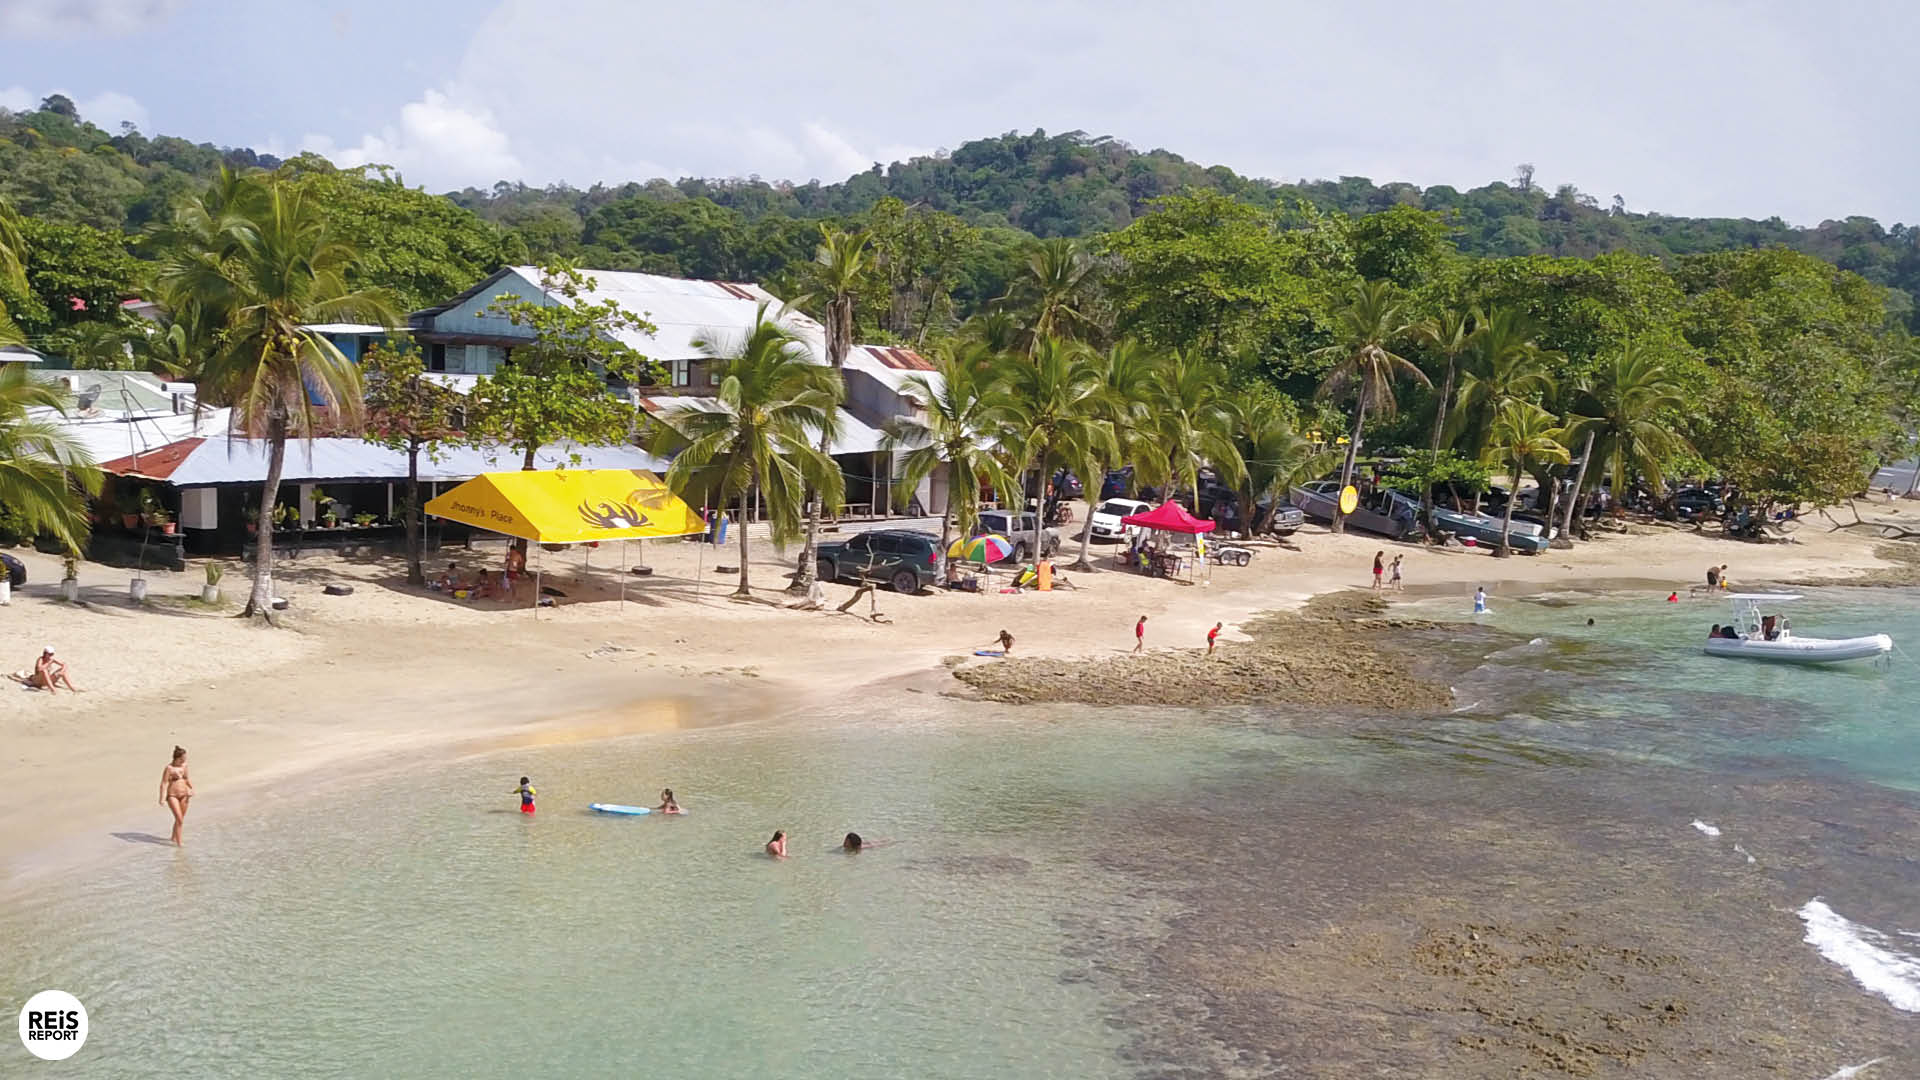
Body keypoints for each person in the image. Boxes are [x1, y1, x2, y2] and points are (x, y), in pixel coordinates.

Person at [158, 745, 193, 846]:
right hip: (172, 795)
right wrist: (162, 798)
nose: (184, 760)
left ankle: (173, 838)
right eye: (183, 758)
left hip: (184, 795)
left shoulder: (184, 766)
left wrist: (191, 789)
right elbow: (164, 783)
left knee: (180, 818)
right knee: (179, 819)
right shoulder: (169, 768)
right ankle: (179, 844)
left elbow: (186, 779)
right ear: (177, 758)